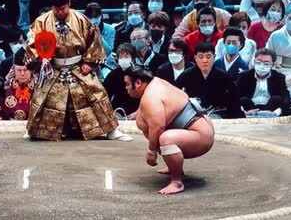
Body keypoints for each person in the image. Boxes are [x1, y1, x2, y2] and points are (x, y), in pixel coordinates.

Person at [24, 0, 132, 141]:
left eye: (63, 8)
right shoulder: (41, 22)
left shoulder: (81, 20)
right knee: (41, 97)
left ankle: (111, 130)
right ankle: (34, 129)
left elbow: (93, 42)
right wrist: (42, 59)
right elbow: (32, 43)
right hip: (52, 67)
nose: (60, 12)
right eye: (56, 9)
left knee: (97, 92)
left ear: (69, 3)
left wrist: (89, 62)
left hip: (78, 66)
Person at [124, 65, 214, 194]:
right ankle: (174, 166)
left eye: (127, 84)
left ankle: (176, 182)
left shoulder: (150, 96)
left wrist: (151, 151)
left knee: (165, 138)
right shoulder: (155, 82)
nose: (126, 88)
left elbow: (158, 126)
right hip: (200, 125)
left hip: (200, 135)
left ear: (138, 83)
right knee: (162, 135)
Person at [175, 42, 245, 119]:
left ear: (214, 57)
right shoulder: (185, 76)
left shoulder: (224, 77)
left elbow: (234, 100)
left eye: (208, 57)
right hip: (192, 115)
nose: (205, 60)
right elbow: (175, 96)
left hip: (217, 114)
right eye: (200, 57)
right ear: (195, 58)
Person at [237, 48, 289, 117]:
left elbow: (286, 98)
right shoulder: (244, 76)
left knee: (276, 99)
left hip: (270, 109)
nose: (261, 66)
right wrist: (244, 112)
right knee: (244, 100)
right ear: (254, 61)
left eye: (266, 63)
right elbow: (235, 96)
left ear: (272, 65)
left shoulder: (279, 77)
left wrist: (275, 113)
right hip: (249, 109)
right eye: (258, 62)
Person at [103, 43, 140, 117]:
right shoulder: (113, 75)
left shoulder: (140, 73)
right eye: (121, 57)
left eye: (126, 56)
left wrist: (138, 112)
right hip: (118, 111)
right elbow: (105, 95)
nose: (123, 59)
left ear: (133, 58)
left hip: (138, 111)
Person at [3, 48, 36, 120]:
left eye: (25, 70)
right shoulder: (6, 86)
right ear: (13, 70)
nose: (22, 74)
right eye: (19, 70)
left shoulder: (39, 87)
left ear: (31, 71)